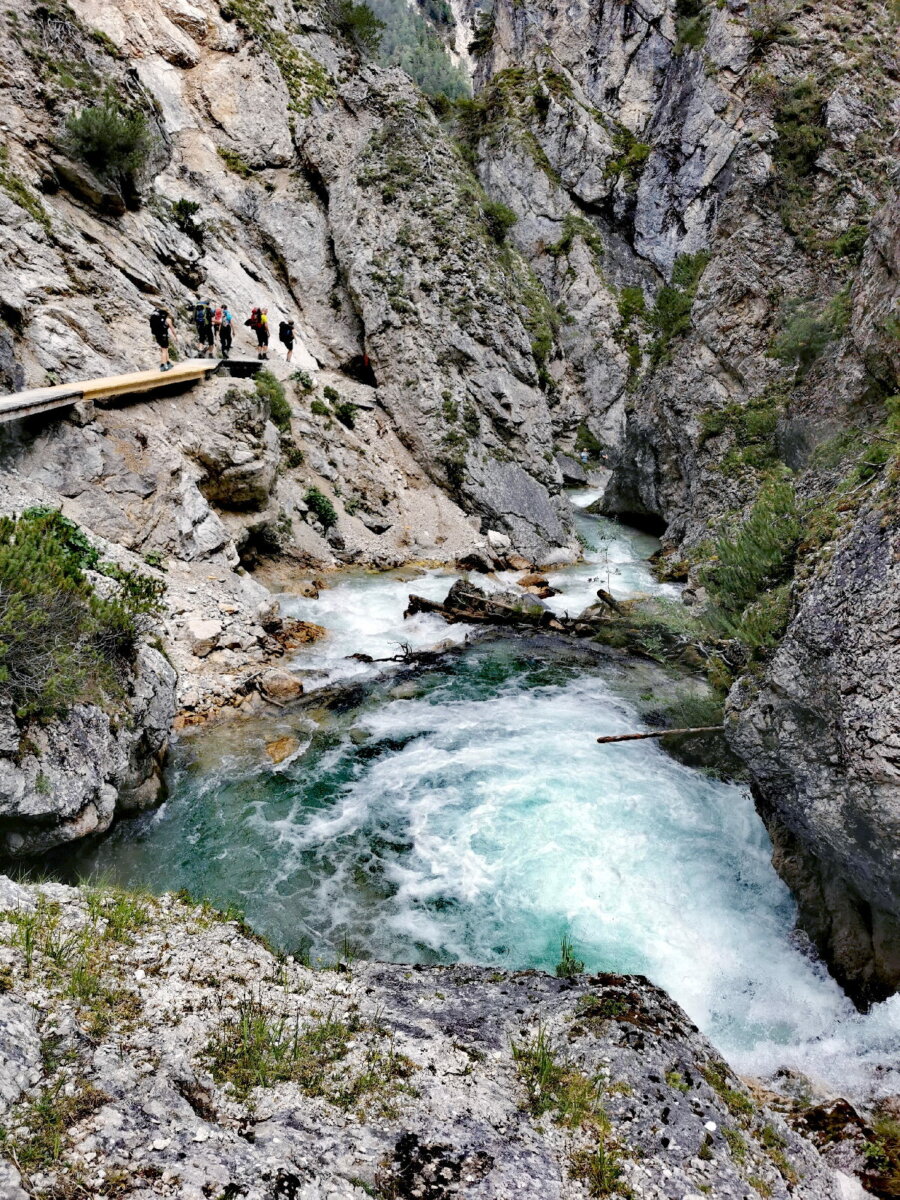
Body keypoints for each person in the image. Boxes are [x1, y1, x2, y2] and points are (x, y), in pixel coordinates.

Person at [149, 305, 176, 372]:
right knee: (164, 350)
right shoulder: (168, 320)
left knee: (165, 349)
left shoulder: (158, 318)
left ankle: (168, 362)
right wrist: (175, 336)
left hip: (157, 335)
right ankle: (163, 365)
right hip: (164, 335)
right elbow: (172, 329)